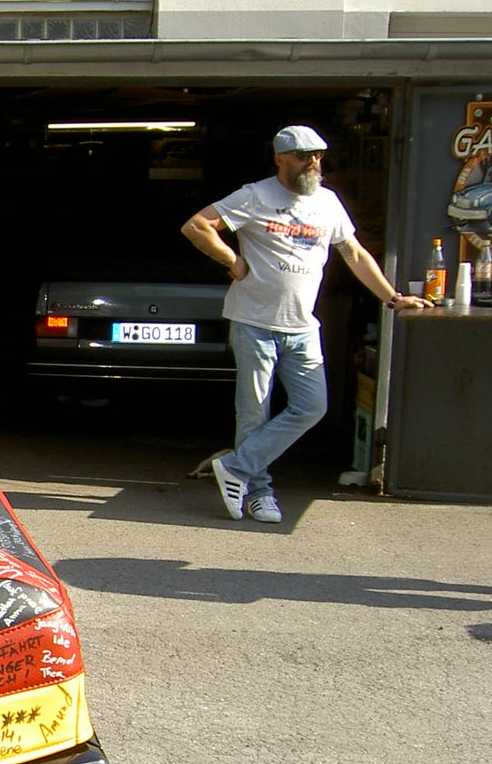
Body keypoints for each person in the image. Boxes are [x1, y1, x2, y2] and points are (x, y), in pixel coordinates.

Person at [180, 125, 430, 524]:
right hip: (253, 322)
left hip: (301, 328)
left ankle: (236, 467)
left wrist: (392, 297)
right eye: (303, 155)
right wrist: (232, 260)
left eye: (318, 155)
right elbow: (197, 225)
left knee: (312, 407)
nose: (313, 161)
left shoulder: (327, 202)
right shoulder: (255, 195)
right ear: (280, 159)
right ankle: (259, 494)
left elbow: (354, 253)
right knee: (254, 415)